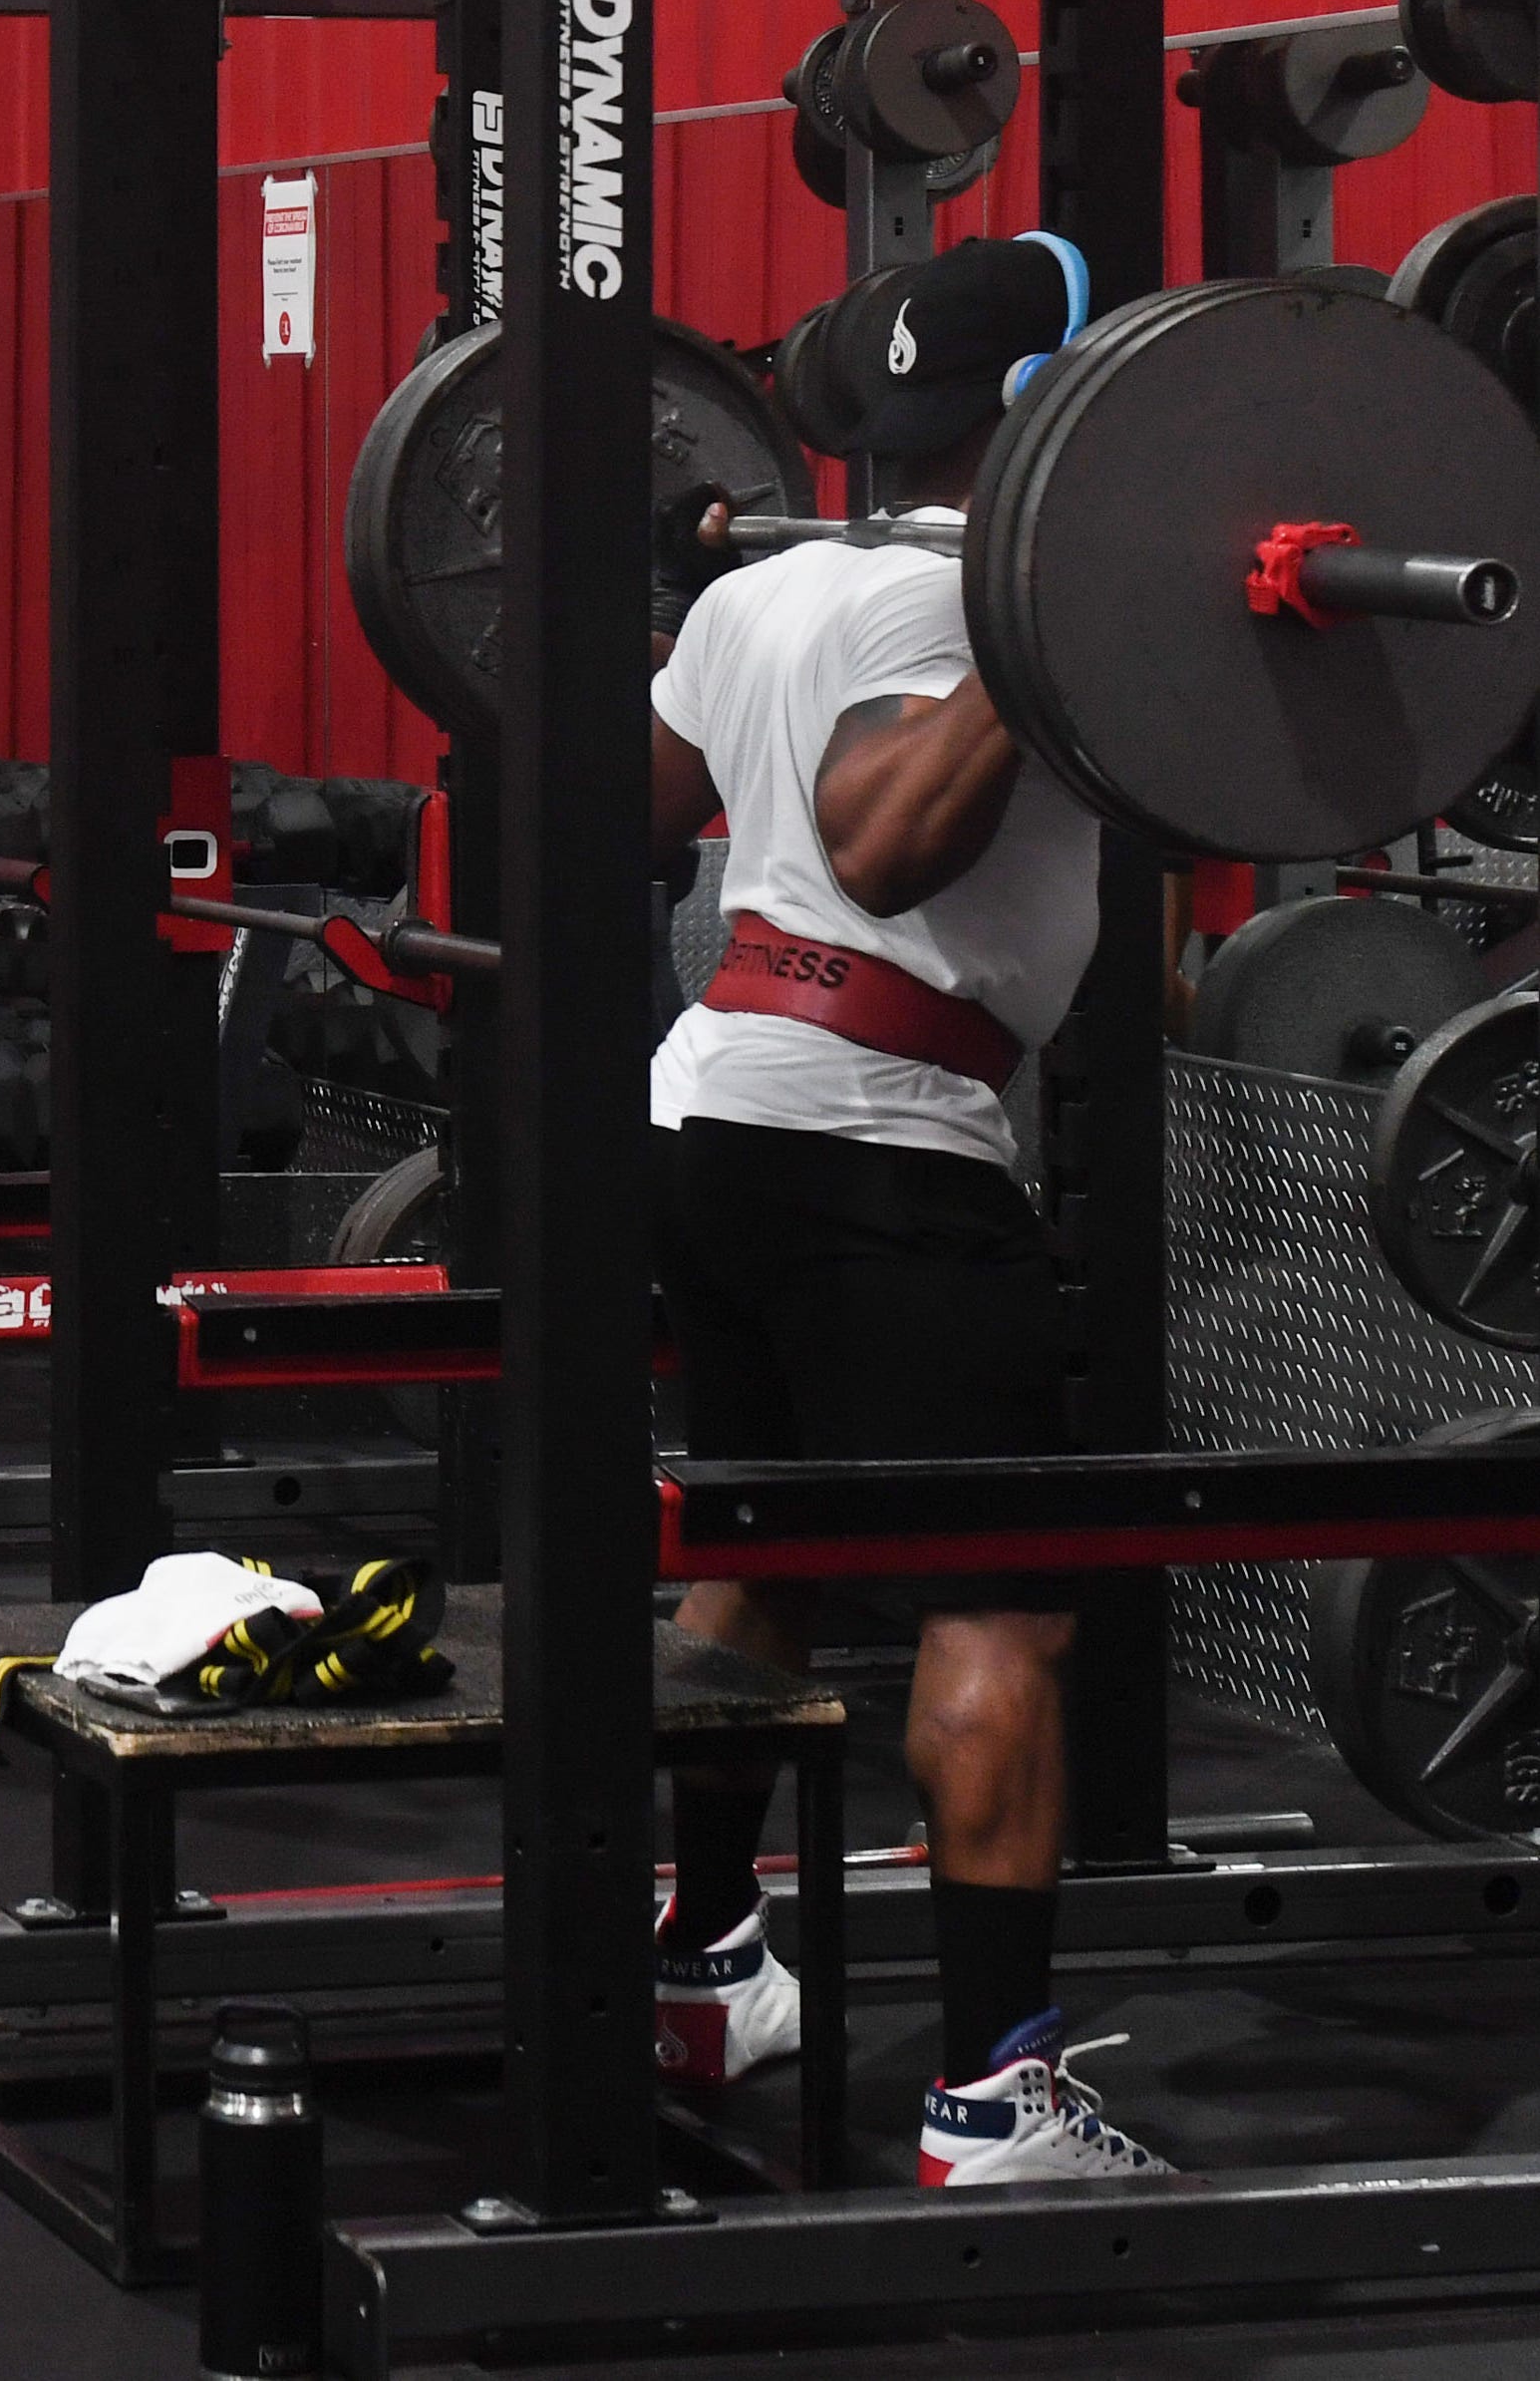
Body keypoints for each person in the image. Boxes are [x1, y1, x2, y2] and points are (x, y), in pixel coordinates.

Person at [641, 232, 1170, 2187]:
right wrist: (1054, 628)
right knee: (991, 1603)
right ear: (1045, 412)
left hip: (709, 1114)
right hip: (877, 1134)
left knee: (757, 1542)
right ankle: (993, 2095)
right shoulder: (982, 603)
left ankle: (700, 1963)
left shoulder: (763, 585)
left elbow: (614, 792)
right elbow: (875, 839)